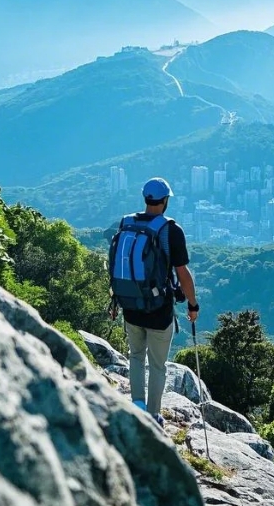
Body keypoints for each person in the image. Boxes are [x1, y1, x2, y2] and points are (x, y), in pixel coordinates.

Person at [109, 177, 199, 426]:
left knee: (136, 356)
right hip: (159, 309)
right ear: (165, 200)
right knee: (158, 365)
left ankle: (137, 405)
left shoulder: (127, 223)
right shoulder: (170, 229)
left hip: (130, 304)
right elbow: (182, 273)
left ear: (146, 199)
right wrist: (192, 304)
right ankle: (152, 416)